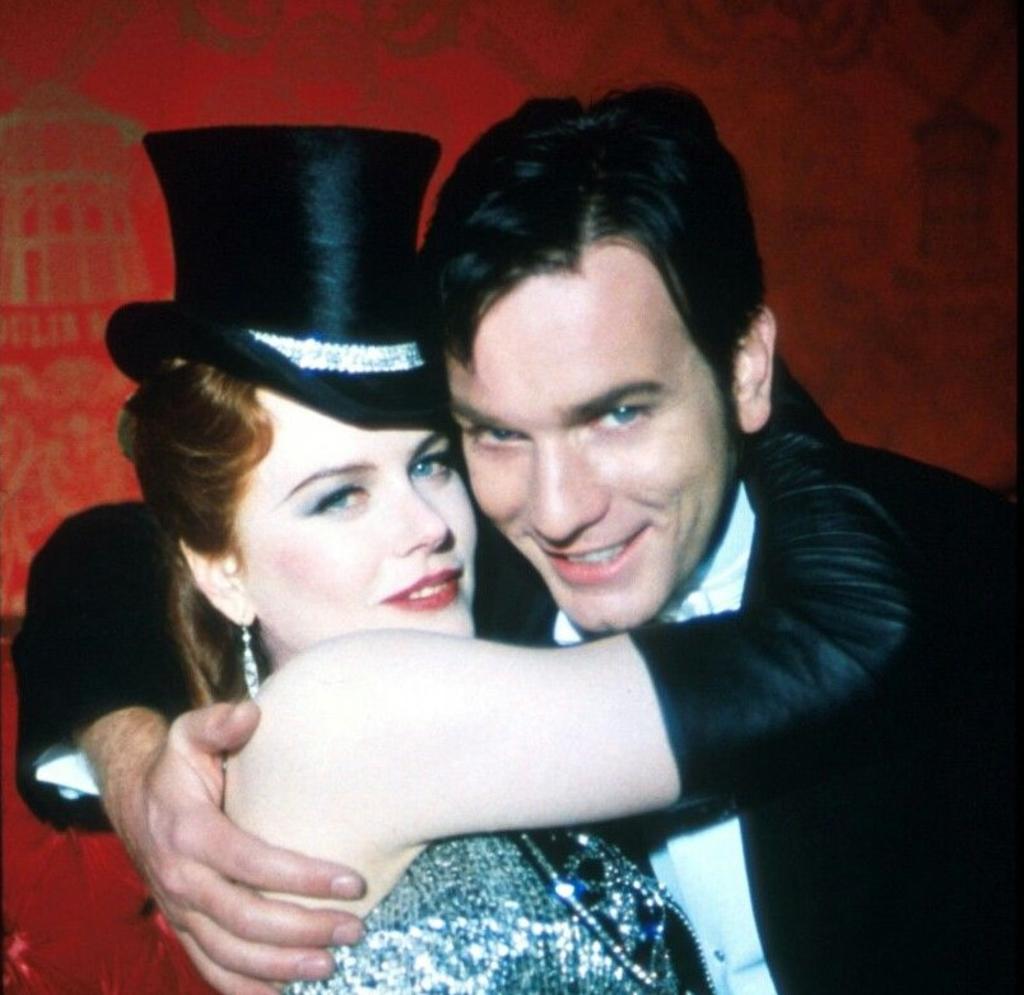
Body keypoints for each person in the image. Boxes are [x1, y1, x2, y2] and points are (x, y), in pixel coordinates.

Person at [14, 88, 1014, 995]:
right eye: (493, 433)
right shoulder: (433, 616)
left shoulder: (967, 581)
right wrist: (137, 769)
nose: (558, 509)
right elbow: (106, 557)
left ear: (747, 367)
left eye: (618, 412)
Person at [35, 121, 708, 993]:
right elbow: (788, 671)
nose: (428, 525)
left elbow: (98, 552)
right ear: (219, 569)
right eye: (339, 496)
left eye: (430, 463)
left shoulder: (474, 665)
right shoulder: (333, 718)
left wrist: (126, 760)